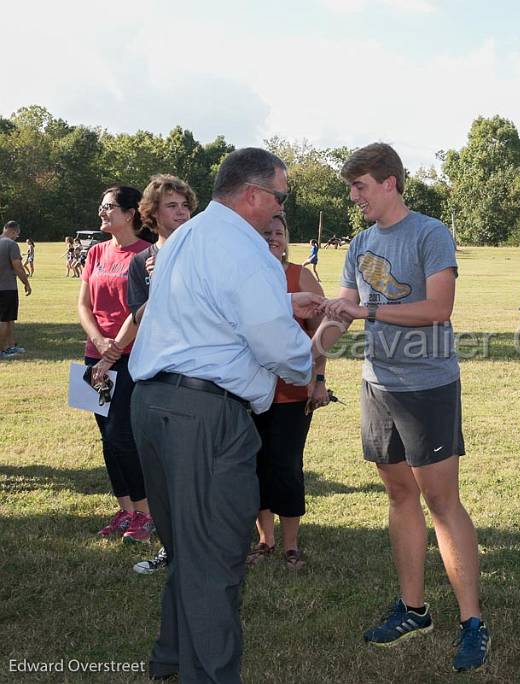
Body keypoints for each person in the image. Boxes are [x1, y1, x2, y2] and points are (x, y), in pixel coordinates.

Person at [128, 148, 322, 683]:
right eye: (280, 197)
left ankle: (170, 661)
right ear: (255, 195)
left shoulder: (188, 234)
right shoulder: (247, 249)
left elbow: (205, 313)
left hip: (154, 403)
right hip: (206, 415)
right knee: (214, 557)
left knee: (185, 548)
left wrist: (283, 306)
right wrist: (316, 342)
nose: (280, 208)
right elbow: (279, 350)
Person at [313, 142, 490, 672]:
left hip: (427, 386)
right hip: (378, 385)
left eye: (360, 186)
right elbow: (344, 311)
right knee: (398, 495)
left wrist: (362, 309)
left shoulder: (431, 234)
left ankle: (472, 622)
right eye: (352, 188)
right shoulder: (360, 243)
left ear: (389, 182)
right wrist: (312, 348)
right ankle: (414, 608)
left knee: (442, 501)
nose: (355, 196)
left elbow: (439, 308)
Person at [91, 174, 197, 574]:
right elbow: (140, 316)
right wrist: (157, 278)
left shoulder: (203, 254)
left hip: (198, 380)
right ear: (152, 214)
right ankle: (171, 547)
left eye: (186, 205)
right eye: (172, 205)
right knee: (161, 463)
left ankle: (202, 547)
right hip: (156, 378)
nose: (182, 212)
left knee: (192, 466)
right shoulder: (141, 262)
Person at [247, 214, 329, 571]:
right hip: (248, 390)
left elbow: (323, 332)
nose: (273, 238)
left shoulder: (300, 275)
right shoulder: (244, 277)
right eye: (266, 232)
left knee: (286, 466)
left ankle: (291, 545)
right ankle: (265, 540)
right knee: (254, 465)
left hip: (293, 391)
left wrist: (320, 378)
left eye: (279, 232)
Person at [77, 188, 155, 543]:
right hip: (94, 357)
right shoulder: (95, 252)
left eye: (108, 207)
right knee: (106, 439)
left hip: (131, 357)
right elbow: (83, 305)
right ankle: (125, 509)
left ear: (130, 214)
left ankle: (147, 513)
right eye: (102, 206)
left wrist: (113, 351)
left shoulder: (147, 255)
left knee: (122, 436)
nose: (101, 212)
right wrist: (97, 343)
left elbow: (142, 311)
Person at [1, 221, 31, 359]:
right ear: (13, 231)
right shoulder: (11, 244)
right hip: (7, 288)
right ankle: (3, 349)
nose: (16, 237)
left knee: (10, 318)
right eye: (17, 235)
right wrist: (26, 283)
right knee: (4, 319)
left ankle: (11, 344)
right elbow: (18, 266)